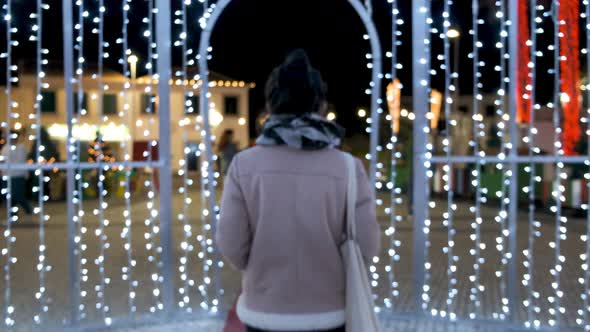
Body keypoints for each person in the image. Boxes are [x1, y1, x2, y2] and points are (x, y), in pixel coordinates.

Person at [216, 49, 380, 332]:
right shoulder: (348, 167)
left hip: (264, 310)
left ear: (270, 106)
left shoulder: (243, 165)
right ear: (321, 105)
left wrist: (259, 267)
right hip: (330, 311)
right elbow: (368, 244)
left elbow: (231, 244)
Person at [1, 130, 33, 220]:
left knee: (18, 194)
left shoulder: (21, 147)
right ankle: (13, 213)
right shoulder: (6, 148)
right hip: (9, 175)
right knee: (11, 196)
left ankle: (27, 210)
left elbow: (21, 160)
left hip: (18, 175)